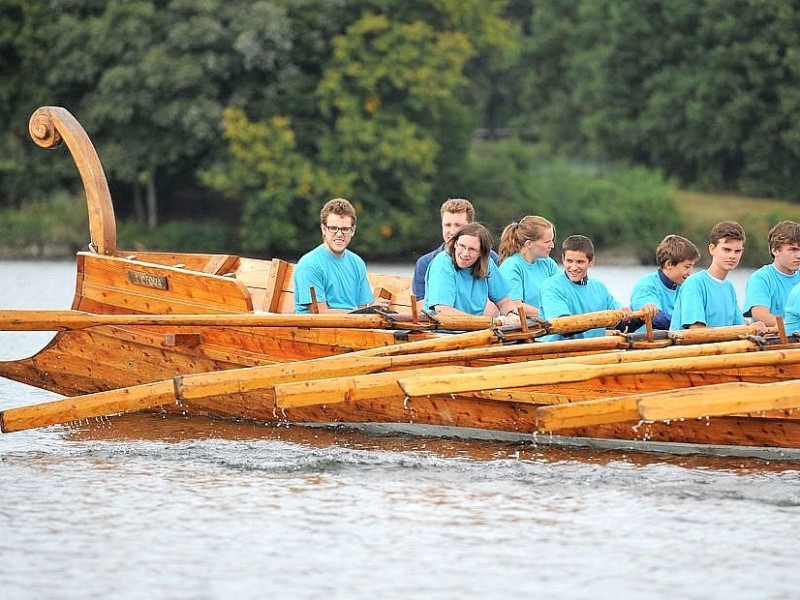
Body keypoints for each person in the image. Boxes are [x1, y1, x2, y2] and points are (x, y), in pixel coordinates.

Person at [539, 235, 652, 340]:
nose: (573, 267)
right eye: (569, 261)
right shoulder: (551, 286)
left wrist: (640, 316)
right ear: (563, 259)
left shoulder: (599, 287)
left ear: (591, 261)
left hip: (591, 349)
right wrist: (600, 320)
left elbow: (622, 325)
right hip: (555, 352)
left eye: (580, 262)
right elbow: (564, 327)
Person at [293, 198, 391, 314]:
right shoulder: (309, 265)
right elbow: (320, 314)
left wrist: (370, 310)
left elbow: (361, 310)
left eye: (345, 229)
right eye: (333, 228)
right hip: (317, 330)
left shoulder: (357, 263)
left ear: (353, 230)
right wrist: (367, 311)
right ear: (324, 229)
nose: (339, 234)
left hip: (352, 329)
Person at [424, 222, 520, 325]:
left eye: (472, 249)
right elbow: (443, 311)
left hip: (476, 329)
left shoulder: (487, 263)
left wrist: (512, 315)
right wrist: (489, 322)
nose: (465, 253)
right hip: (442, 331)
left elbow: (504, 301)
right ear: (455, 243)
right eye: (462, 246)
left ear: (481, 253)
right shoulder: (442, 263)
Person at [412, 198, 499, 306]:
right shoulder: (425, 263)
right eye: (447, 225)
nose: (452, 231)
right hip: (442, 317)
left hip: (484, 319)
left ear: (471, 226)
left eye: (458, 225)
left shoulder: (491, 259)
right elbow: (421, 305)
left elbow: (500, 300)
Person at [670, 221, 752, 329]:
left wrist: (754, 328)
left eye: (737, 251)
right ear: (712, 249)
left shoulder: (729, 287)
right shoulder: (694, 283)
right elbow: (697, 331)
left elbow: (740, 330)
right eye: (726, 250)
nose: (732, 256)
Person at [629, 234, 701, 330]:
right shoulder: (646, 286)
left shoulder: (685, 287)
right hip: (647, 342)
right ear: (669, 264)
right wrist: (690, 326)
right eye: (687, 267)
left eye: (692, 266)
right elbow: (656, 317)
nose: (691, 272)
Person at [497, 215, 559, 318]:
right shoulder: (511, 266)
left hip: (548, 326)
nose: (552, 245)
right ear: (529, 244)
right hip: (526, 330)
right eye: (547, 241)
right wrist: (549, 315)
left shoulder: (548, 263)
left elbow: (565, 289)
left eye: (552, 240)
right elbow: (515, 306)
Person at [743, 220, 800, 327]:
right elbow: (760, 315)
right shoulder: (760, 278)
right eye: (793, 250)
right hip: (773, 338)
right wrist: (792, 326)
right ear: (775, 250)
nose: (799, 255)